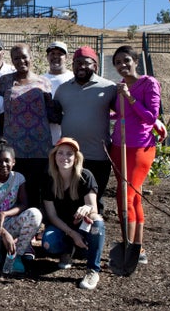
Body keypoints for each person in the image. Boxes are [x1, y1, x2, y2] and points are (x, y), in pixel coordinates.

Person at [109, 45, 161, 265]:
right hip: (118, 145)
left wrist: (130, 98)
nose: (123, 65)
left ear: (136, 61)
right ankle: (138, 248)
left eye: (126, 60)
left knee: (125, 197)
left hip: (140, 148)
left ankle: (128, 245)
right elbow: (120, 114)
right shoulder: (119, 87)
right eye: (118, 62)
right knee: (135, 197)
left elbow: (150, 117)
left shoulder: (148, 83)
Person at [53, 45, 116, 215]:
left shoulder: (109, 88)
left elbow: (126, 113)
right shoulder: (63, 89)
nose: (81, 66)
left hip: (98, 155)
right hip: (70, 156)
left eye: (86, 63)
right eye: (77, 63)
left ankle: (94, 235)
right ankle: (72, 237)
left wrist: (154, 122)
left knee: (96, 198)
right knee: (71, 198)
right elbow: (55, 115)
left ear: (95, 66)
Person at [42, 137, 105, 290]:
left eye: (69, 154)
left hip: (82, 225)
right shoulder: (48, 179)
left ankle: (93, 270)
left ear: (76, 157)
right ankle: (68, 249)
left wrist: (87, 208)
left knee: (97, 222)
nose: (64, 157)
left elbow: (94, 209)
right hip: (62, 227)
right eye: (60, 153)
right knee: (48, 244)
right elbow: (52, 215)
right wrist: (72, 234)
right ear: (54, 156)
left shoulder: (85, 176)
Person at [0, 43, 54, 209]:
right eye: (16, 58)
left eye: (24, 57)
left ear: (31, 57)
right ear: (12, 61)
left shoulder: (44, 82)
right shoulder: (5, 81)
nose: (21, 61)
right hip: (13, 145)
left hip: (39, 146)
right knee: (14, 188)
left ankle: (36, 226)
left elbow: (51, 112)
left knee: (36, 188)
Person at [0, 138, 42, 274]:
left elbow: (23, 204)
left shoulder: (18, 178)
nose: (3, 164)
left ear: (14, 162)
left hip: (10, 223)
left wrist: (4, 214)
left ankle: (16, 255)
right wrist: (3, 233)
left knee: (35, 214)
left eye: (7, 161)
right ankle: (0, 249)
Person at [42, 41, 74, 145]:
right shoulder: (40, 80)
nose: (55, 56)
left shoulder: (74, 79)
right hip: (45, 139)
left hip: (69, 140)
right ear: (47, 57)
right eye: (52, 53)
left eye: (60, 54)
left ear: (67, 57)